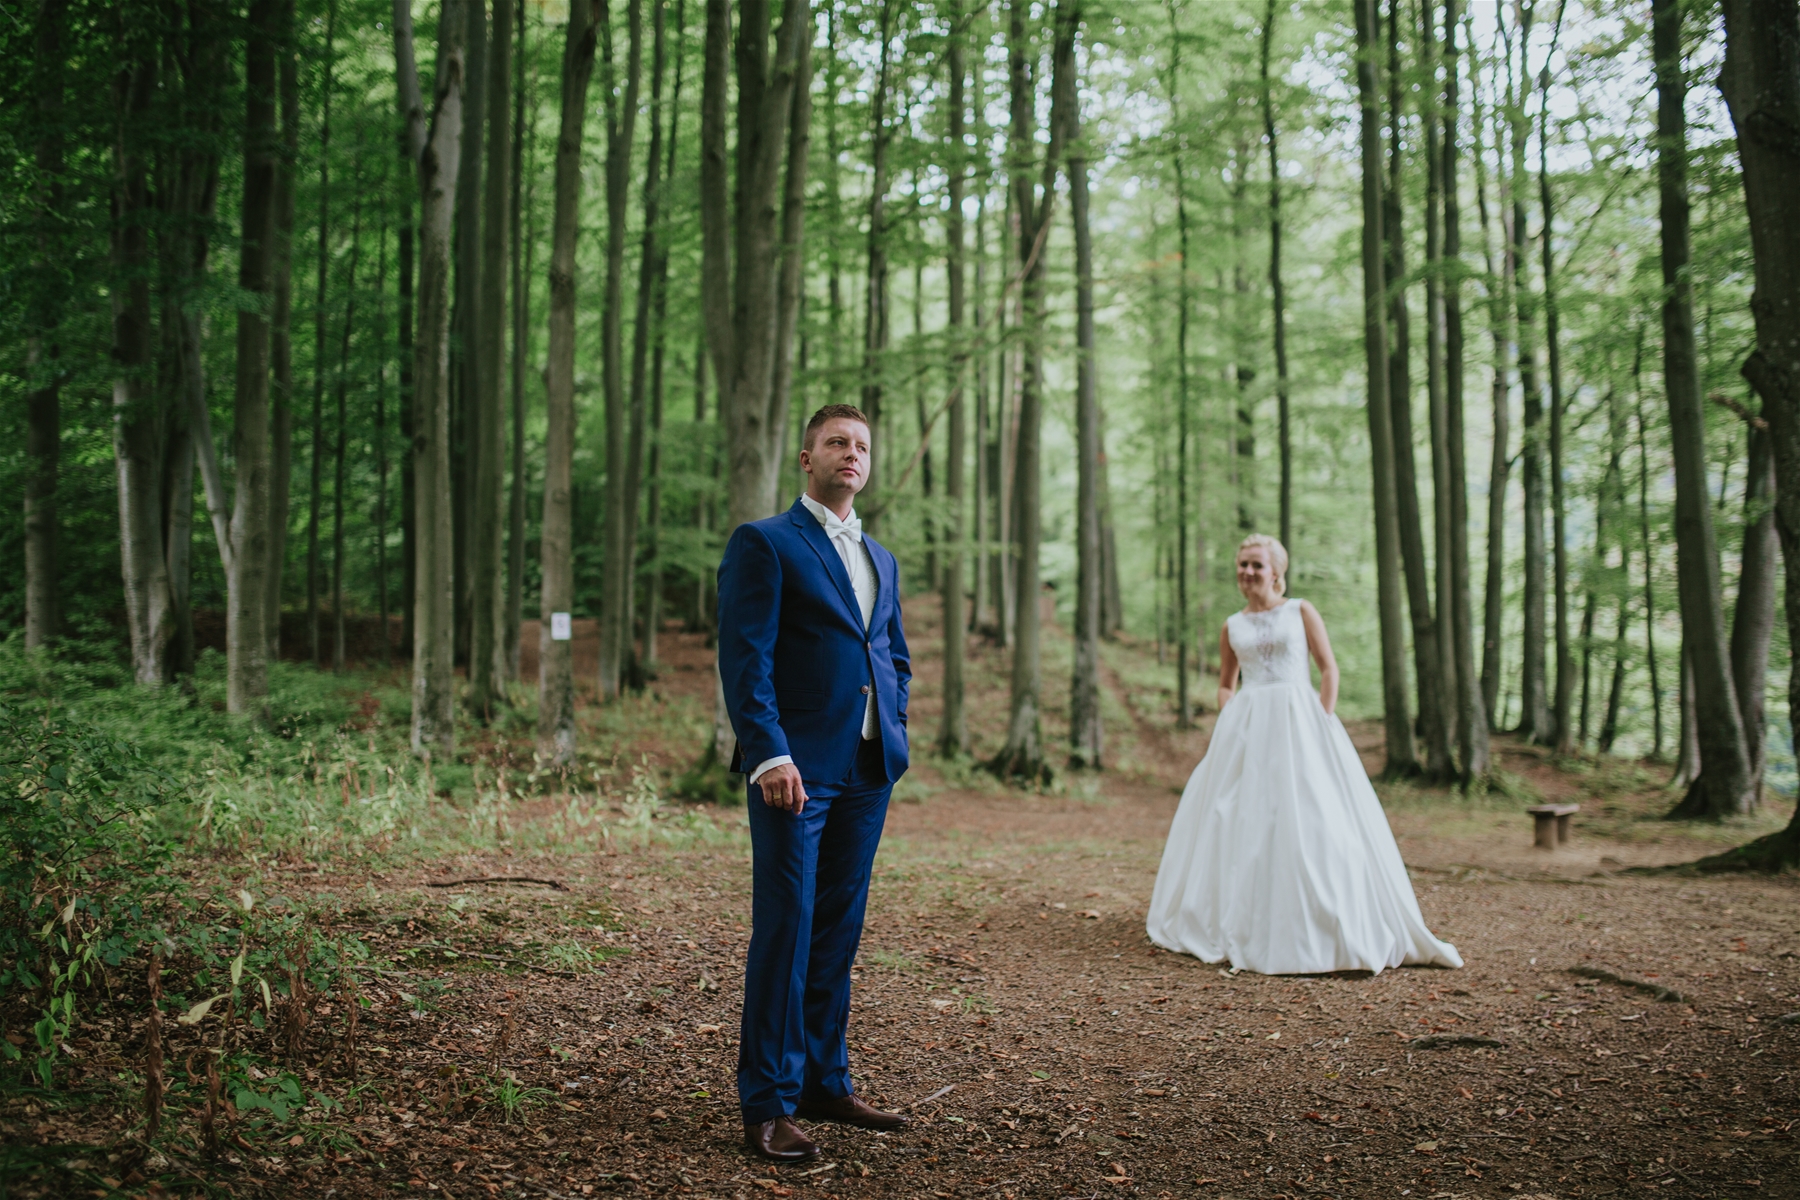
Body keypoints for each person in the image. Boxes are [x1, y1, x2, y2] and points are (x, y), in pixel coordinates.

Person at [716, 404, 914, 1163]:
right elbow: (746, 657)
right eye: (837, 442)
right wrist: (769, 754)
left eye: (862, 445)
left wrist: (894, 720)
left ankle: (825, 1082)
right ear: (807, 458)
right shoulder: (766, 543)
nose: (851, 454)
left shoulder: (880, 557)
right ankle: (767, 1100)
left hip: (867, 770)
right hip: (793, 775)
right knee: (787, 929)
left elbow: (890, 651)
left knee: (838, 931)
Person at [1145, 533, 1462, 976]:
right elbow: (1225, 682)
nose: (1248, 572)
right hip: (1247, 728)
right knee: (1238, 817)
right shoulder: (1231, 625)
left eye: (1257, 564)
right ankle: (1244, 916)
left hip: (1302, 721)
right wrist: (1231, 712)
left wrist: (1322, 716)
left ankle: (1322, 918)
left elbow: (1328, 667)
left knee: (1315, 815)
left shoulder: (1300, 610)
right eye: (1242, 564)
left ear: (1276, 571)